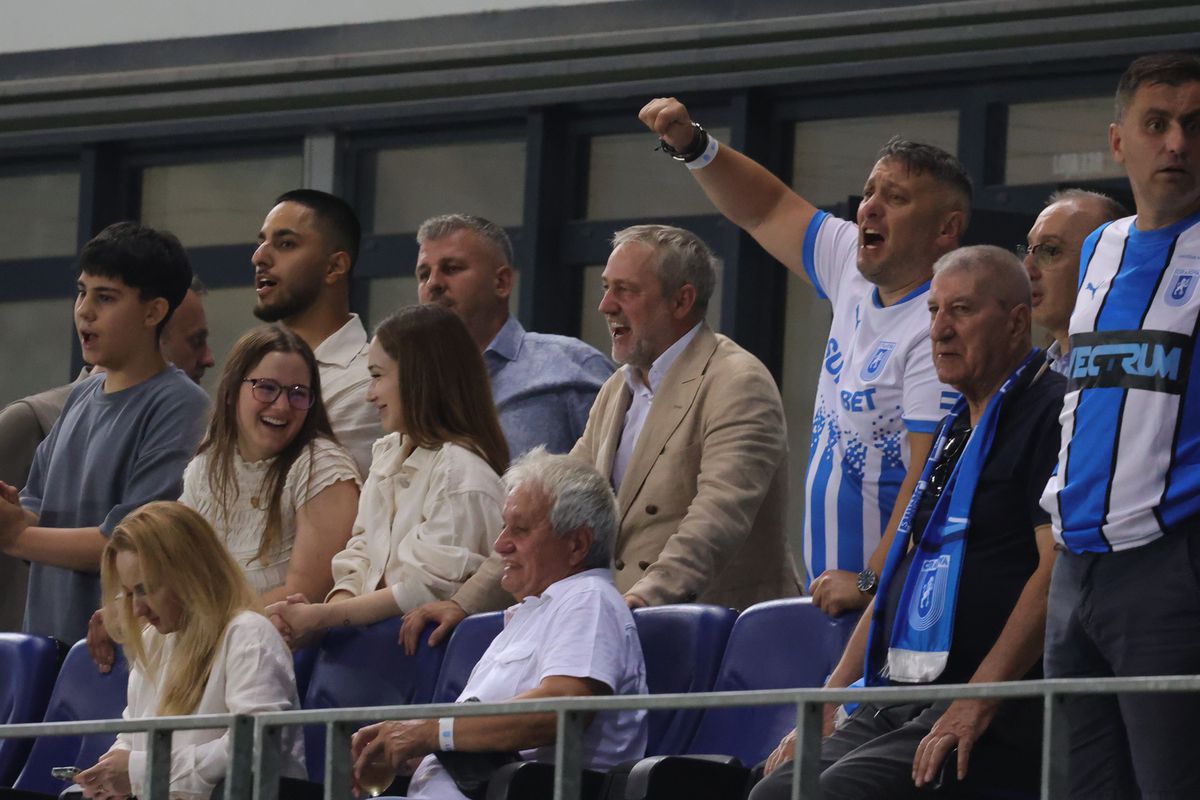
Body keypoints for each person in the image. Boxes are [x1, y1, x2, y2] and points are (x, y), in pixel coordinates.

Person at [752, 245, 1064, 800]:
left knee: (829, 794)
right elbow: (904, 572)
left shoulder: (1049, 412)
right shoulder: (953, 429)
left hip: (983, 702)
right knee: (773, 789)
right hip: (896, 695)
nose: (940, 329)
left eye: (962, 311)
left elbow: (1054, 571)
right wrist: (830, 696)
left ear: (1017, 322)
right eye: (933, 311)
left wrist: (979, 696)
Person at [400, 224, 796, 652]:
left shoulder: (737, 380)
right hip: (630, 630)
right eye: (607, 288)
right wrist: (465, 603)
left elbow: (717, 519)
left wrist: (641, 599)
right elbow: (546, 509)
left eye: (625, 291)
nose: (606, 305)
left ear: (681, 300)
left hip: (721, 641)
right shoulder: (616, 388)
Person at [639, 100, 965, 617]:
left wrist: (870, 580)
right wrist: (695, 146)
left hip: (891, 605)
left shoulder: (938, 328)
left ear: (947, 229)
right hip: (831, 599)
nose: (869, 208)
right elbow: (765, 208)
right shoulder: (854, 270)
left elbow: (930, 477)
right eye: (871, 192)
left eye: (896, 198)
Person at [1039, 52, 1200, 800]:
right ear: (1118, 141)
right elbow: (1086, 389)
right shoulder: (1100, 246)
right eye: (1157, 124)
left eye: (1195, 126)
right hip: (1076, 565)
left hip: (1170, 566)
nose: (1176, 143)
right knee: (1080, 789)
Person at [349, 449, 647, 800]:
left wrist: (433, 733)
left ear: (577, 544)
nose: (500, 544)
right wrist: (409, 751)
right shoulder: (533, 612)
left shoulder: (588, 599)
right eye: (504, 526)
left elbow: (561, 712)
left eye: (519, 530)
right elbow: (478, 742)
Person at [0, 222, 210, 643]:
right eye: (82, 292)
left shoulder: (181, 406)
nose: (85, 311)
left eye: (106, 297)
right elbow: (37, 510)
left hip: (118, 653)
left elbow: (130, 545)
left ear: (153, 311)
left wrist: (15, 536)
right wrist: (12, 514)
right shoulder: (82, 396)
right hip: (48, 646)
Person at [267, 304, 507, 644]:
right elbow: (361, 553)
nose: (369, 394)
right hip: (368, 651)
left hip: (418, 665)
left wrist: (324, 616)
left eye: (377, 376)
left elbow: (429, 589)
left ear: (419, 376)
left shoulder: (462, 476)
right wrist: (330, 616)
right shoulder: (387, 452)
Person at [73, 501, 306, 800]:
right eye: (130, 593)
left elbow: (258, 746)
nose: (137, 609)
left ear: (190, 574)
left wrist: (142, 770)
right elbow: (132, 739)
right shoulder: (152, 643)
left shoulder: (248, 635)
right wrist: (109, 770)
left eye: (146, 588)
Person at [415, 214, 613, 458]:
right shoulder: (410, 384)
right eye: (424, 274)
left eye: (452, 268)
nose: (433, 283)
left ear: (502, 282)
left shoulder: (571, 369)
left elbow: (620, 482)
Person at [253, 189, 382, 476]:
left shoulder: (368, 383)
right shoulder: (250, 369)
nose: (259, 257)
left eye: (285, 244)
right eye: (261, 243)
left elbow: (283, 486)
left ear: (334, 266)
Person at [1021, 189, 1127, 375]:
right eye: (1029, 250)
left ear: (1109, 262)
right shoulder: (1027, 379)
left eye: (1051, 250)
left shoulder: (1134, 373)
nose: (1026, 269)